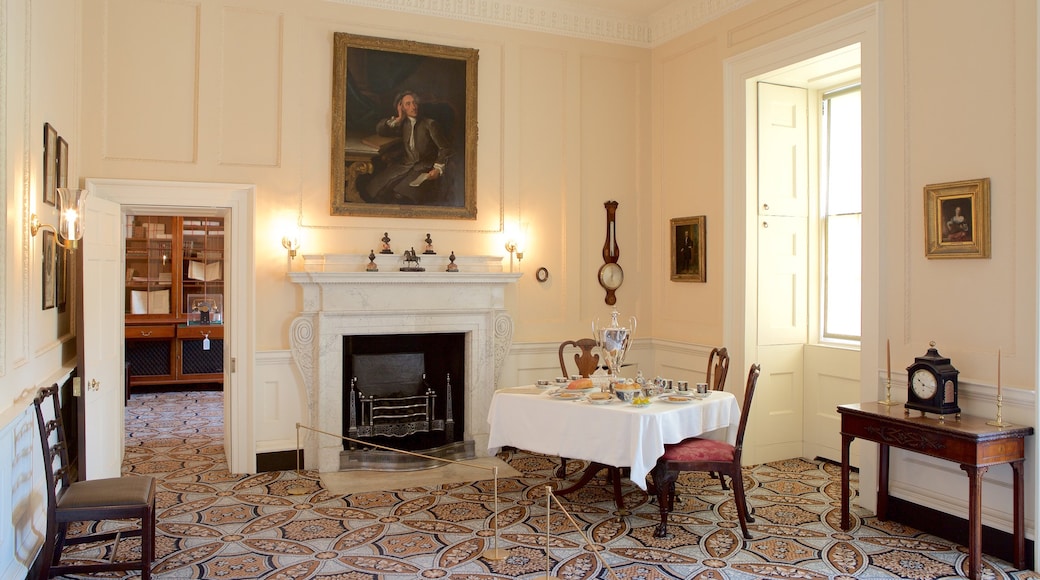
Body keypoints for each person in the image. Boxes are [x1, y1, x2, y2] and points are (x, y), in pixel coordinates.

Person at [364, 91, 453, 205]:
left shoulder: (430, 124)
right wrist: (399, 118)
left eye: (415, 103)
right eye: (408, 104)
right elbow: (380, 129)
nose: (413, 107)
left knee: (401, 196)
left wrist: (438, 168)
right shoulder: (403, 124)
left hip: (424, 168)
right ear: (402, 108)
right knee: (375, 190)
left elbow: (445, 148)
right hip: (404, 165)